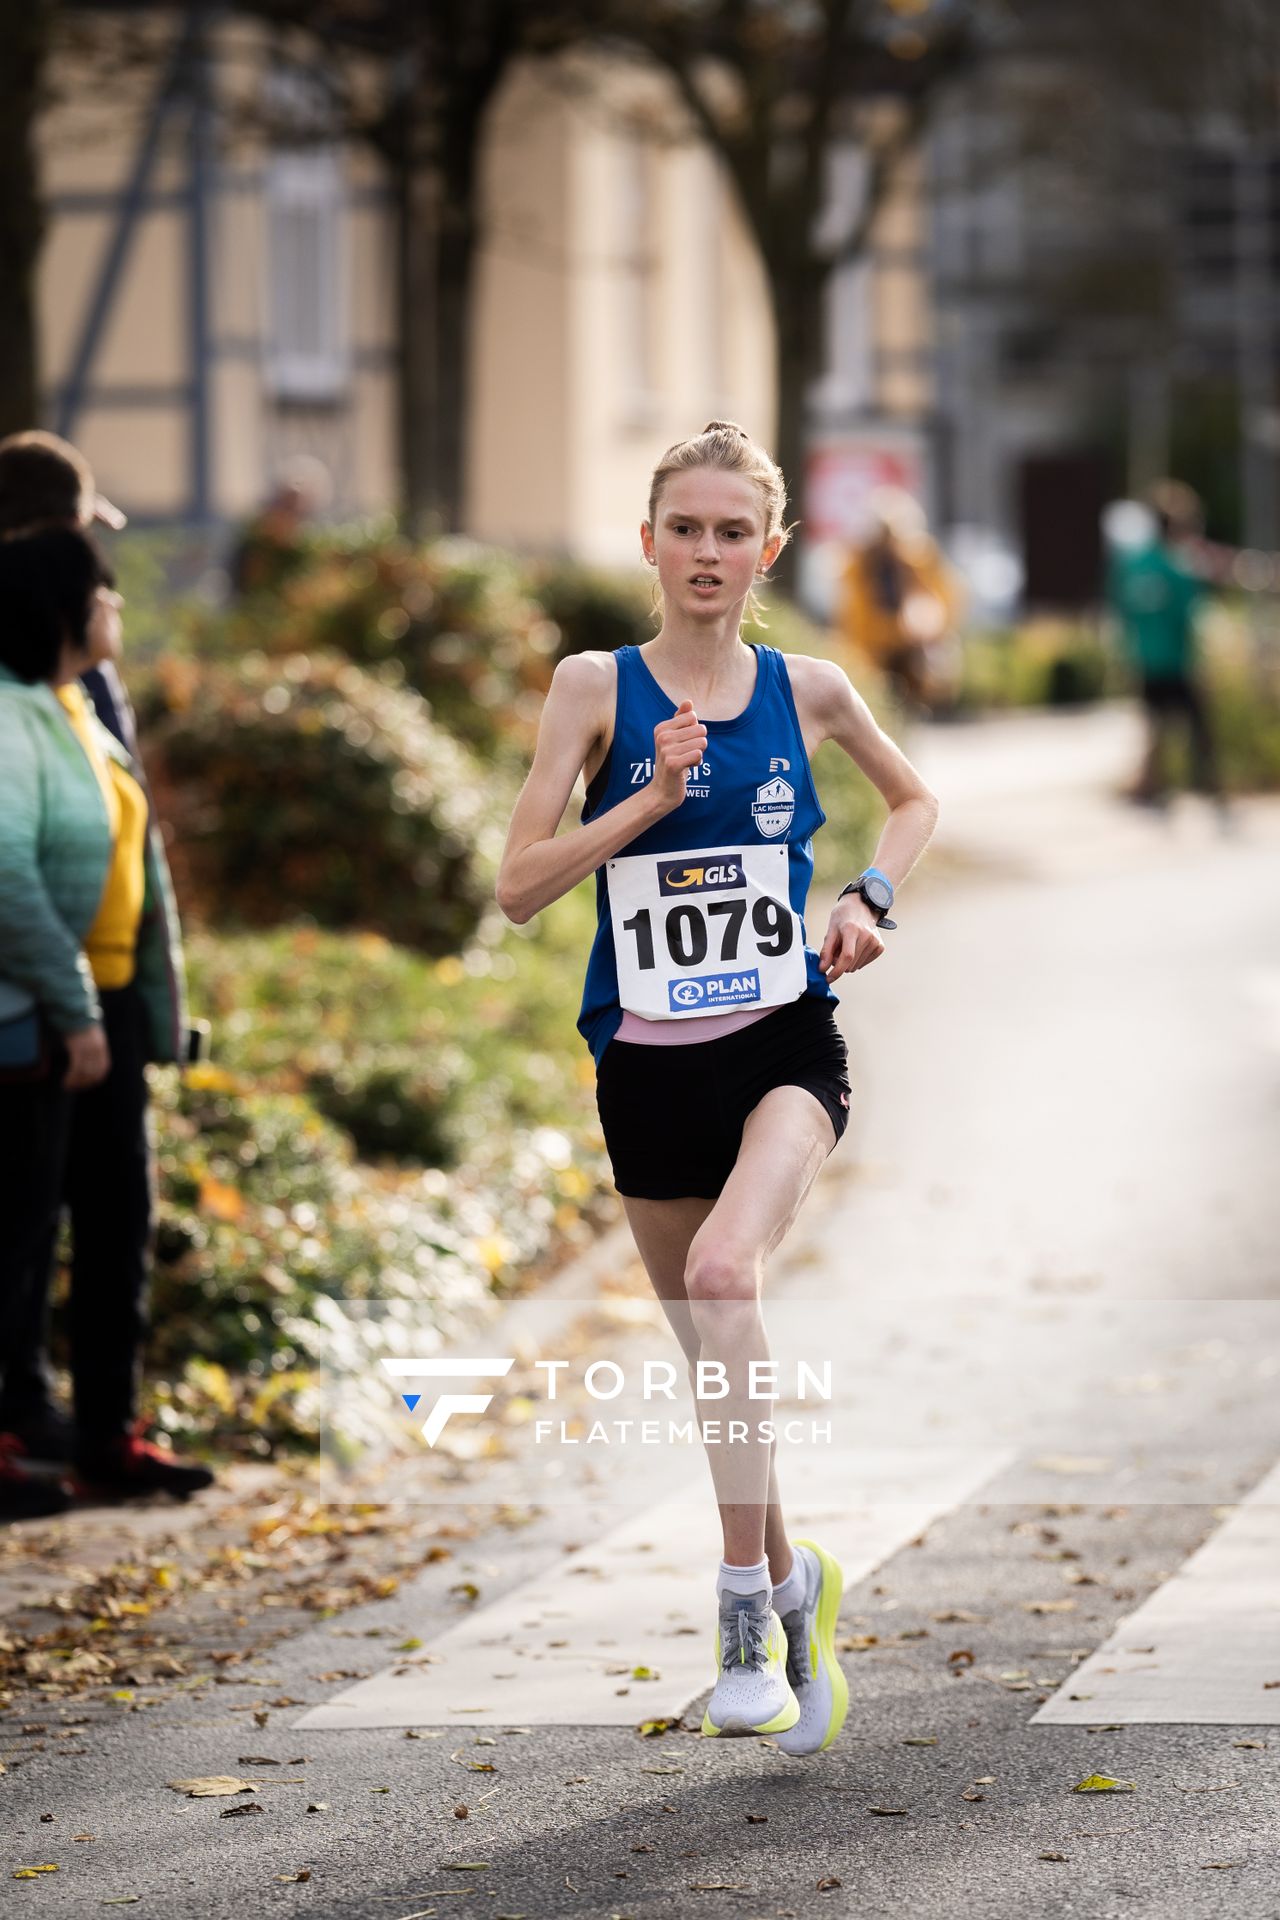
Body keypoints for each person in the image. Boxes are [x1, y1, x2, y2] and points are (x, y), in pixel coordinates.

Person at [496, 421, 939, 1752]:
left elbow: (912, 803)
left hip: (784, 1048)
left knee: (727, 1279)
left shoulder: (808, 691)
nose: (706, 552)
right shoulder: (593, 689)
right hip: (644, 1069)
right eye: (683, 528)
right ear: (647, 543)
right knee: (717, 1370)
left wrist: (868, 894)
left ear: (771, 550)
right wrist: (647, 798)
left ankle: (744, 1606)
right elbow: (518, 889)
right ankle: (800, 1580)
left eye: (731, 531)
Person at [0, 527, 214, 1520]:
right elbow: (8, 875)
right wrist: (76, 1010)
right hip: (44, 1017)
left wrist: (143, 1017)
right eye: (106, 592)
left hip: (110, 1010)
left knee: (118, 1220)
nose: (120, 607)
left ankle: (107, 1436)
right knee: (24, 1229)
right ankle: (13, 1437)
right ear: (64, 608)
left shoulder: (76, 708)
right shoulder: (11, 716)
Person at [1106, 479, 1227, 815]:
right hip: (1176, 659)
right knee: (1198, 726)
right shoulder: (1179, 568)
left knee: (1154, 725)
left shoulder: (1132, 564)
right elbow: (1190, 618)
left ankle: (1151, 785)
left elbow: (1122, 612)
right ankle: (1205, 784)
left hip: (1144, 656)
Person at [838, 486, 964, 715]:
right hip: (876, 649)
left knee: (914, 696)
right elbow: (855, 616)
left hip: (911, 647)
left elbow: (947, 596)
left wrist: (930, 624)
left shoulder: (917, 558)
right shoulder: (862, 564)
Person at [226, 455, 331, 601]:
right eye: (285, 504)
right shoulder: (254, 543)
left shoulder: (316, 547)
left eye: (297, 508)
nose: (290, 515)